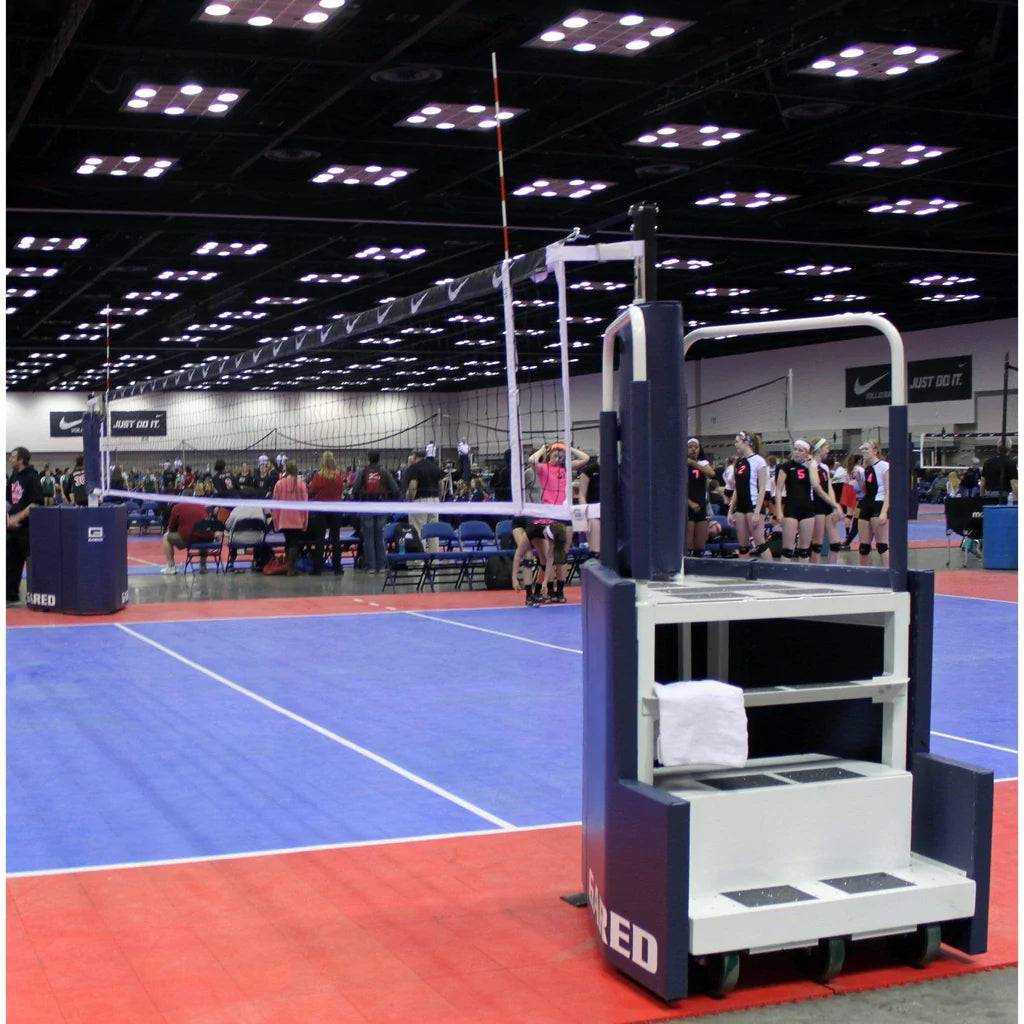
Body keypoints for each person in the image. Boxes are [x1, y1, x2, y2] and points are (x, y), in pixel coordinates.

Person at [7, 447, 44, 605]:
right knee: (10, 563)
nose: (10, 459)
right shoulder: (14, 476)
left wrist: (18, 517)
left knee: (33, 564)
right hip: (13, 529)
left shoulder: (32, 478)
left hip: (28, 529)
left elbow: (36, 503)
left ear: (21, 459)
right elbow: (9, 500)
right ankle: (10, 596)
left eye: (13, 456)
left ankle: (37, 596)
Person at [727, 431, 771, 559]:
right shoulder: (739, 462)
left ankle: (772, 569)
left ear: (746, 442)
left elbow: (762, 488)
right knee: (743, 546)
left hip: (753, 504)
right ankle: (744, 570)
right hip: (741, 506)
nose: (735, 444)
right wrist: (730, 510)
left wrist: (757, 511)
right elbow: (737, 488)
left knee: (760, 543)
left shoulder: (759, 461)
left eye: (737, 442)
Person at [352, 450, 398, 574]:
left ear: (368, 459)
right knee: (380, 537)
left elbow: (355, 488)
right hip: (381, 505)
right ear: (379, 459)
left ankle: (371, 566)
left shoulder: (363, 472)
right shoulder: (384, 471)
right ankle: (382, 565)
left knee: (368, 538)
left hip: (367, 506)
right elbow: (395, 488)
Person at [161, 487, 215, 575]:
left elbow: (171, 528)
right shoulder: (202, 506)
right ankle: (203, 565)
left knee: (166, 537)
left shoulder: (177, 507)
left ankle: (170, 567)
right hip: (206, 537)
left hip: (188, 538)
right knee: (203, 534)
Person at [809, 438, 843, 563]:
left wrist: (834, 506)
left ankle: (831, 570)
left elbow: (829, 488)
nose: (828, 451)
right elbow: (817, 489)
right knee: (817, 544)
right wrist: (834, 504)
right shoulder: (811, 465)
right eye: (827, 448)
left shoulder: (824, 467)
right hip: (816, 504)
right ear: (819, 449)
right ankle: (815, 571)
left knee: (835, 544)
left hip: (827, 504)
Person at [272, 460, 309, 576]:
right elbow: (305, 505)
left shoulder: (279, 484)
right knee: (294, 543)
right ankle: (291, 568)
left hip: (283, 520)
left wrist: (276, 521)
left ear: (286, 470)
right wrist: (305, 522)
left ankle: (289, 566)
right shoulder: (301, 485)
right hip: (297, 520)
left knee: (288, 542)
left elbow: (275, 506)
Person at [857, 439, 890, 566]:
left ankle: (888, 572)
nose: (864, 452)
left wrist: (884, 512)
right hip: (866, 504)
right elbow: (866, 491)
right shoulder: (867, 468)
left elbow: (889, 490)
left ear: (875, 450)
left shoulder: (884, 466)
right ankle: (864, 573)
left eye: (866, 449)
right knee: (863, 547)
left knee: (882, 545)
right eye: (863, 449)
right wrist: (859, 480)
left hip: (879, 504)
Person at [405, 448, 443, 552]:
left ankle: (419, 558)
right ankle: (435, 558)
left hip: (420, 501)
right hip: (435, 501)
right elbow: (441, 484)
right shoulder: (434, 466)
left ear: (414, 455)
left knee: (418, 530)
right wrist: (439, 498)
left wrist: (410, 499)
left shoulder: (414, 468)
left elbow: (413, 485)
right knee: (433, 532)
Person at [685, 439, 714, 557]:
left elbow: (711, 473)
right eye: (690, 447)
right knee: (688, 546)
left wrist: (693, 463)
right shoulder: (682, 465)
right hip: (688, 507)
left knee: (700, 546)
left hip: (701, 506)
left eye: (696, 447)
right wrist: (689, 503)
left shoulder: (702, 463)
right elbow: (678, 488)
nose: (693, 449)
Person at [577, 452, 601, 557]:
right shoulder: (589, 470)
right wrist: (585, 515)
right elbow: (582, 495)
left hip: (611, 511)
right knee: (596, 550)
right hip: (593, 512)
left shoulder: (616, 468)